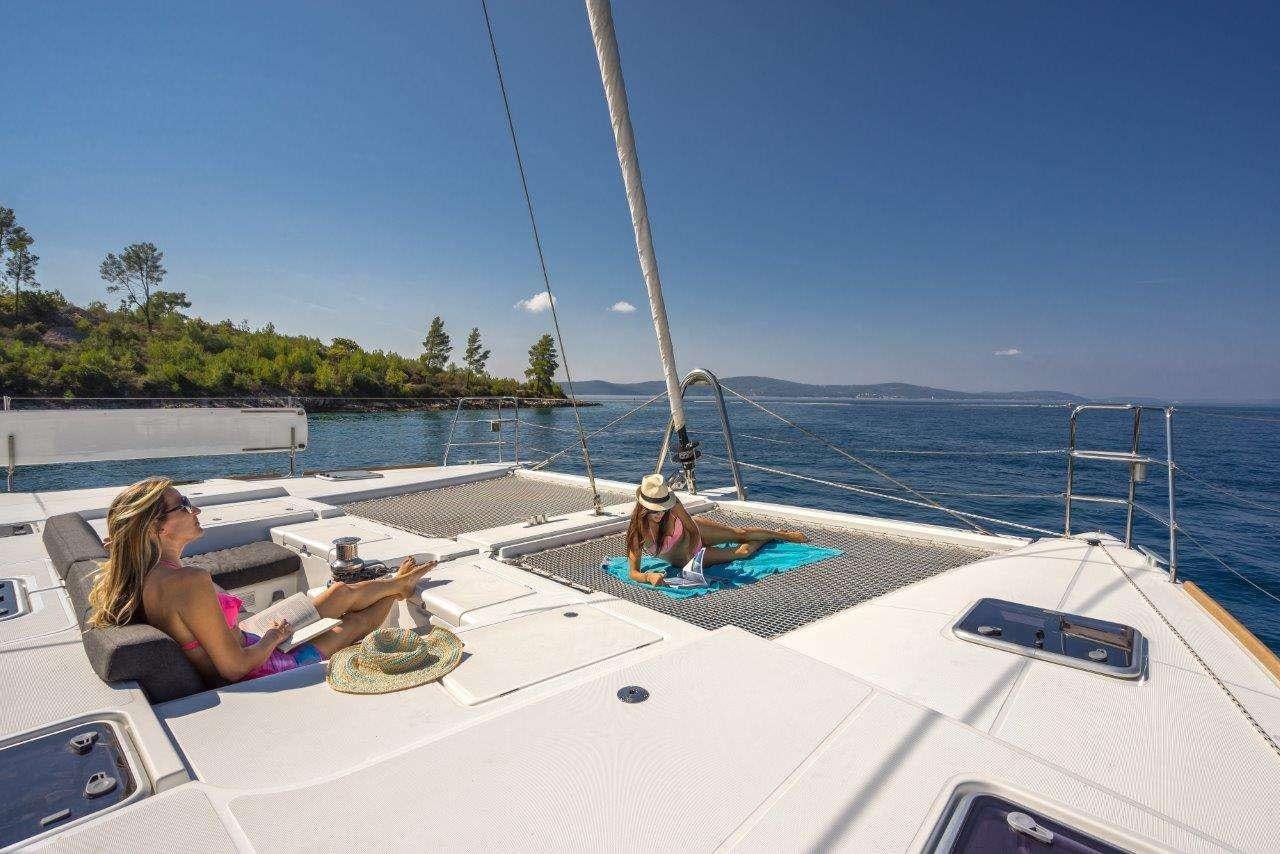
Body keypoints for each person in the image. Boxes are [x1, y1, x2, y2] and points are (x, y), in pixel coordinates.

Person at [87, 477, 435, 685]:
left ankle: (397, 586)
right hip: (262, 665)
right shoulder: (186, 582)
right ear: (156, 528)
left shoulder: (144, 571)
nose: (196, 511)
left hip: (247, 638)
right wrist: (273, 639)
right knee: (355, 623)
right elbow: (234, 668)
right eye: (184, 505)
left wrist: (266, 635)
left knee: (339, 592)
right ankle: (396, 592)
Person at [624, 474, 808, 587]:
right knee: (743, 552)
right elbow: (633, 572)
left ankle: (781, 534)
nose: (661, 513)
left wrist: (692, 544)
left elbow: (689, 525)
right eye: (655, 510)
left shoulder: (672, 503)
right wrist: (648, 577)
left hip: (695, 533)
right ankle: (766, 539)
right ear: (643, 508)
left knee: (740, 533)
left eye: (664, 508)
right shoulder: (637, 534)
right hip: (689, 559)